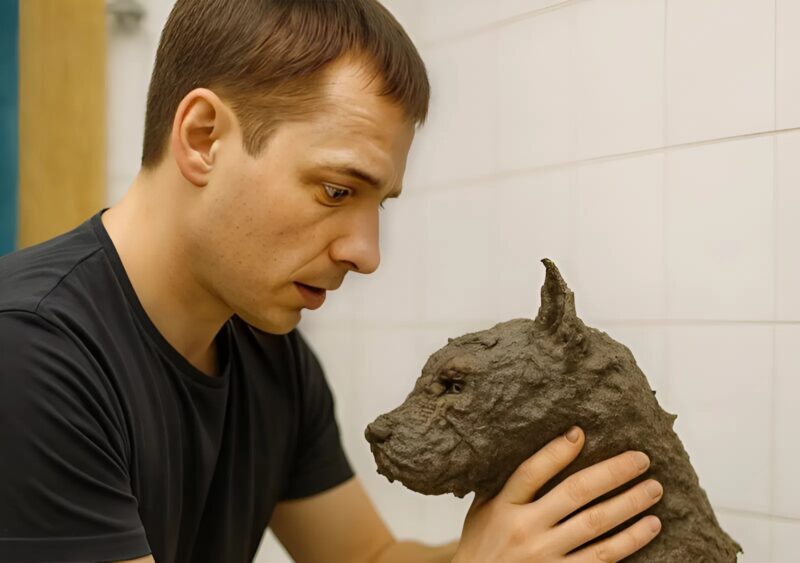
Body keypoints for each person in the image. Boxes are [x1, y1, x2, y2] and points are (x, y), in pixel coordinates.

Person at [0, 0, 663, 561]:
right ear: (203, 138)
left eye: (380, 204)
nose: (367, 254)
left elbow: (367, 557)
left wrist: (523, 540)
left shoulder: (268, 354)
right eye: (337, 190)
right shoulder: (29, 352)